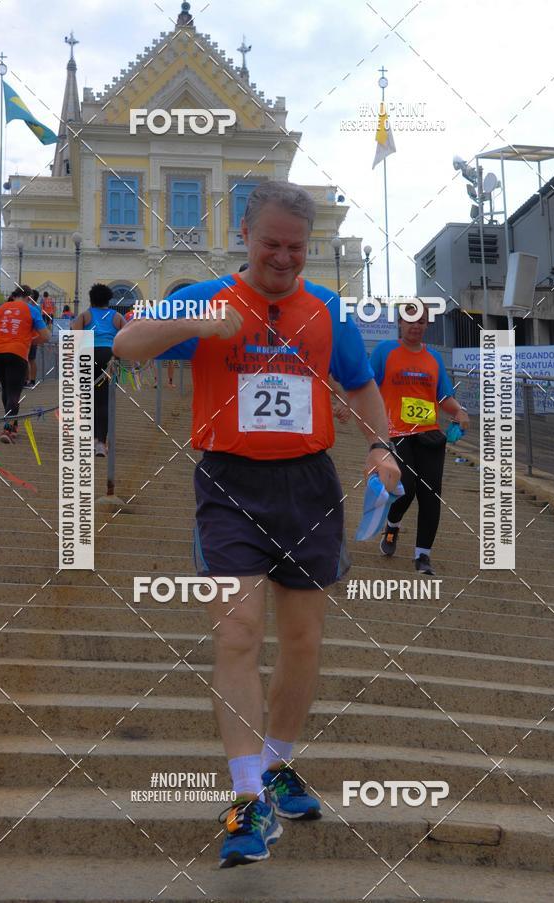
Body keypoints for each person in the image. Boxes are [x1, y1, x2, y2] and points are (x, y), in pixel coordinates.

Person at [114, 180, 401, 869]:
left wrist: (382, 443)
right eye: (271, 243)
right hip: (228, 482)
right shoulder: (207, 297)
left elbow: (359, 380)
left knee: (302, 639)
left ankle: (277, 764)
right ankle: (246, 799)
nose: (283, 258)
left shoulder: (327, 309)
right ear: (245, 235)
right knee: (238, 631)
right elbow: (126, 344)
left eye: (296, 248)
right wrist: (196, 325)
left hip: (307, 484)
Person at [370, 302, 469, 576]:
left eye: (422, 321)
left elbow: (443, 396)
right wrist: (349, 405)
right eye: (410, 320)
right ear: (400, 323)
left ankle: (422, 555)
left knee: (431, 494)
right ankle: (392, 524)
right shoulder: (384, 351)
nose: (416, 325)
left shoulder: (434, 358)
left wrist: (459, 411)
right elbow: (367, 385)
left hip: (428, 433)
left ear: (427, 324)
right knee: (407, 486)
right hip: (396, 433)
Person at [0, 287, 50, 443]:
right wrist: (29, 341)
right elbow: (46, 336)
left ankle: (12, 424)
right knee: (14, 392)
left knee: (7, 388)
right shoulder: (32, 310)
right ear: (29, 298)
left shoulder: (0, 309)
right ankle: (7, 430)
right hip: (16, 352)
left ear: (13, 296)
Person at [72, 283, 124, 457]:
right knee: (104, 401)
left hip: (87, 354)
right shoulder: (116, 316)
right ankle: (101, 443)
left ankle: (92, 439)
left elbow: (74, 336)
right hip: (108, 355)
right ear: (108, 299)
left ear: (91, 299)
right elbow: (128, 334)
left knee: (87, 399)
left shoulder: (86, 315)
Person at [25, 288, 42, 387]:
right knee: (31, 359)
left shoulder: (31, 307)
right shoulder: (38, 308)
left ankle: (28, 380)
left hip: (30, 336)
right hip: (34, 335)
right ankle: (31, 380)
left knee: (28, 359)